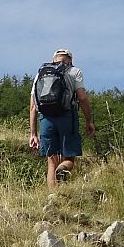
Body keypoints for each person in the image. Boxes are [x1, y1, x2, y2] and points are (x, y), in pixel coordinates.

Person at [29, 48, 95, 188]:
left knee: (51, 162)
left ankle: (52, 197)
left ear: (54, 59)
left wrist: (33, 134)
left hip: (46, 119)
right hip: (67, 117)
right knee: (69, 158)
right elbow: (82, 98)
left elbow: (33, 107)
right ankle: (63, 169)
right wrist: (89, 120)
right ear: (70, 60)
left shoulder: (41, 74)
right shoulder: (74, 72)